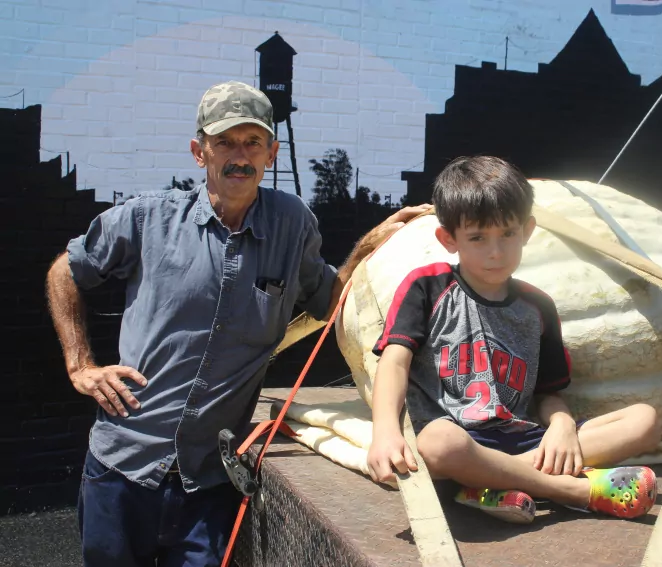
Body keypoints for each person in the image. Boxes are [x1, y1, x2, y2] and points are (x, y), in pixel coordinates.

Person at [45, 80, 429, 566]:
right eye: (224, 142)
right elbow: (66, 270)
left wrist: (370, 245)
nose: (240, 156)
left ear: (272, 152)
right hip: (122, 470)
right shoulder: (149, 218)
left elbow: (327, 300)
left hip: (208, 485)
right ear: (199, 152)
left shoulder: (291, 224)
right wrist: (80, 364)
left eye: (252, 142)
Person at [366, 155, 661, 524]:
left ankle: (485, 485)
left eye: (508, 234)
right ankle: (575, 491)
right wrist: (385, 432)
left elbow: (548, 393)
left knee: (645, 421)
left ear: (527, 230)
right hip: (458, 440)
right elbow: (394, 361)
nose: (496, 252)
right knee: (439, 445)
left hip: (523, 438)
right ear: (448, 239)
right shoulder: (427, 286)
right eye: (477, 237)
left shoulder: (539, 307)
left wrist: (562, 425)